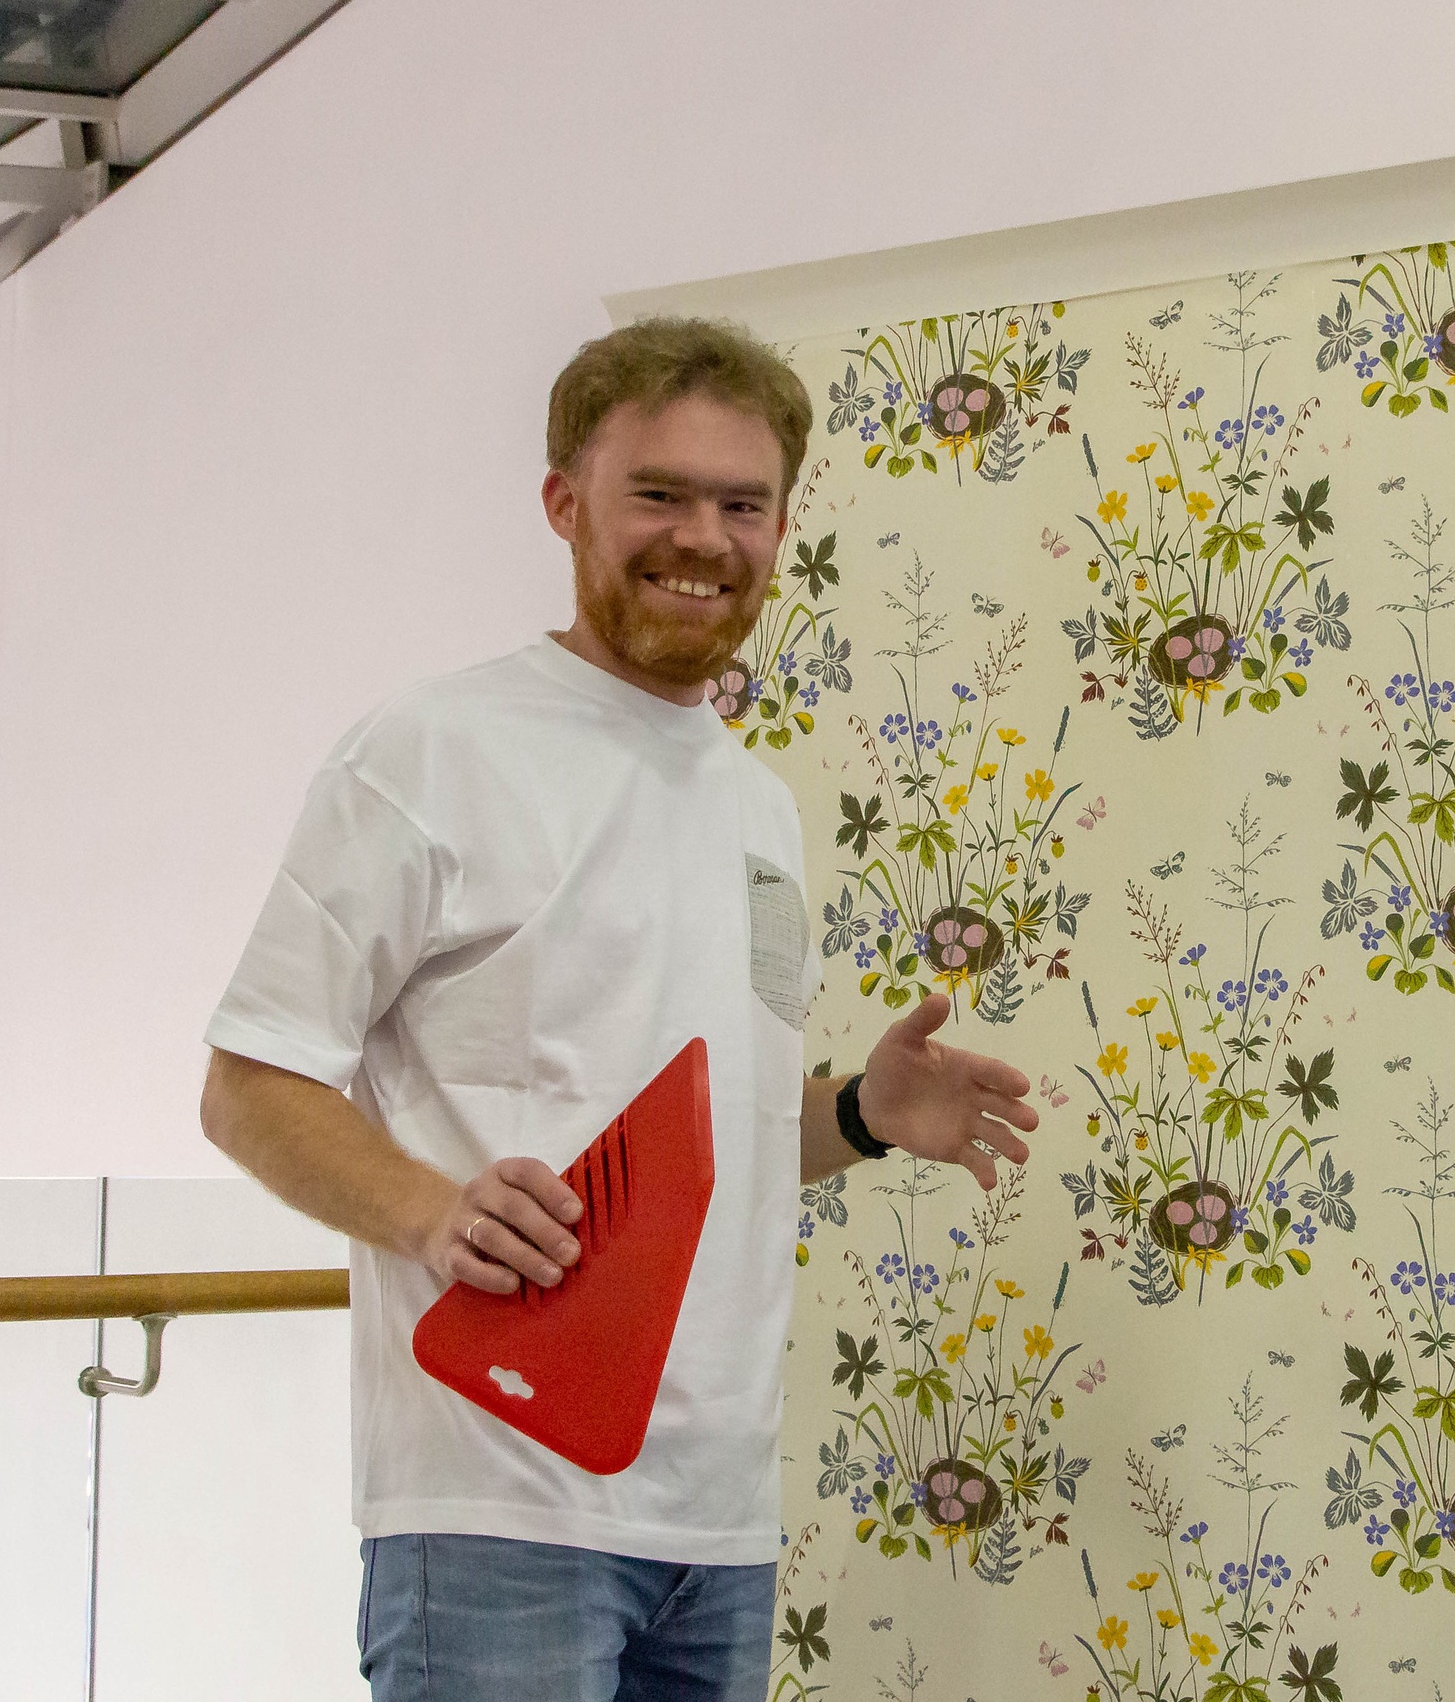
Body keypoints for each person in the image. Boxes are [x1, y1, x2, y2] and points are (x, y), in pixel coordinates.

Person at [198, 317, 1038, 1701]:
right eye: (658, 493)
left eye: (741, 505)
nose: (702, 538)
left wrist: (857, 1116)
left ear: (781, 529)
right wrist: (431, 1213)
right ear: (563, 503)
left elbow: (700, 1140)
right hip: (494, 1503)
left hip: (717, 1524)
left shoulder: (758, 804)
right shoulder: (431, 750)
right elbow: (249, 1085)